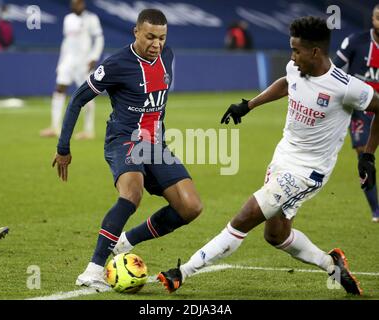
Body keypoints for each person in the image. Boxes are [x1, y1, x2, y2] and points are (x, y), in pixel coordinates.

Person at [158, 16, 379, 296]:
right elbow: (287, 83)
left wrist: (368, 155)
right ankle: (332, 264)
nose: (292, 57)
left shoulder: (346, 87)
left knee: (245, 217)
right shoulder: (296, 68)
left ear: (315, 52)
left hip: (307, 172)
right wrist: (248, 105)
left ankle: (182, 272)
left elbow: (378, 107)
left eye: (297, 51)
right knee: (276, 235)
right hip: (283, 157)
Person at [52, 8, 203, 289]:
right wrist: (63, 147)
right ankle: (93, 270)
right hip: (124, 140)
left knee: (191, 207)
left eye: (161, 38)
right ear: (135, 32)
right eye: (150, 37)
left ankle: (125, 242)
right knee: (132, 193)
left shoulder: (167, 56)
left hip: (155, 145)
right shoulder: (116, 64)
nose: (156, 44)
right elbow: (77, 100)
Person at [333, 5, 379, 223]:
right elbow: (334, 69)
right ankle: (376, 210)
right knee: (364, 156)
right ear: (372, 19)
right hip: (361, 111)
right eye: (378, 18)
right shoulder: (356, 41)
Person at [40, 0, 104, 140]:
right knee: (59, 88)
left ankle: (88, 130)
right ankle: (54, 127)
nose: (73, 6)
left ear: (82, 4)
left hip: (84, 62)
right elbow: (66, 42)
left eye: (76, 3)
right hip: (68, 60)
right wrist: (60, 62)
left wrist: (94, 57)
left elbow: (99, 39)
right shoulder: (68, 19)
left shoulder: (91, 18)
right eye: (72, 3)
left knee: (87, 94)